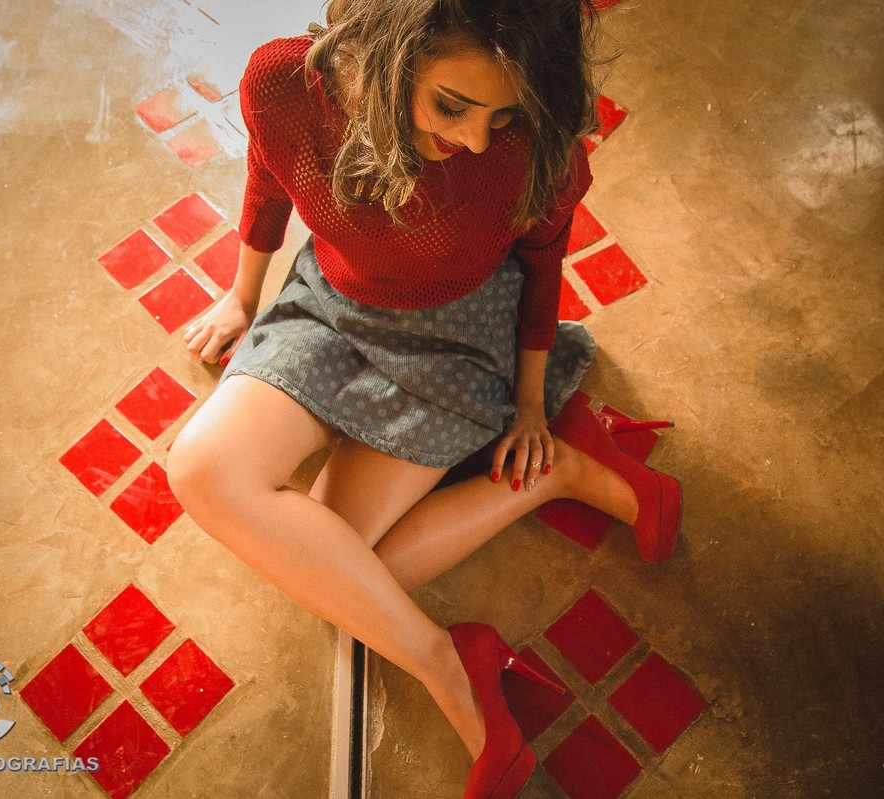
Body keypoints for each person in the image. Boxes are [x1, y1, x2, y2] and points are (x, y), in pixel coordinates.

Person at [166, 1, 681, 795]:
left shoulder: (528, 149)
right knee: (203, 470)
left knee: (343, 572)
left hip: (457, 330)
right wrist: (242, 295)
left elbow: (542, 266)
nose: (476, 139)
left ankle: (554, 470)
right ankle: (447, 661)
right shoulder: (283, 82)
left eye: (499, 115)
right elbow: (267, 176)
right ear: (390, 43)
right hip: (332, 303)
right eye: (453, 105)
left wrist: (531, 404)